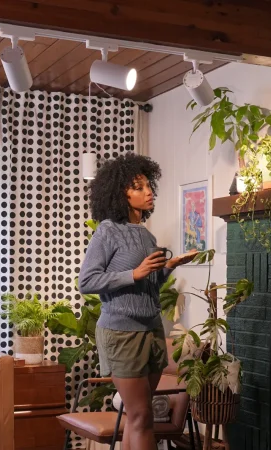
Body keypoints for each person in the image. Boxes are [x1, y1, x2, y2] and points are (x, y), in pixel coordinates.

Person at [78, 153, 196, 450]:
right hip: (122, 333)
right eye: (139, 187)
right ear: (122, 194)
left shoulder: (146, 235)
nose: (148, 192)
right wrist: (134, 273)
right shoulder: (107, 231)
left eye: (148, 185)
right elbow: (87, 281)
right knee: (142, 416)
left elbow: (149, 286)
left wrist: (169, 267)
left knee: (136, 417)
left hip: (152, 330)